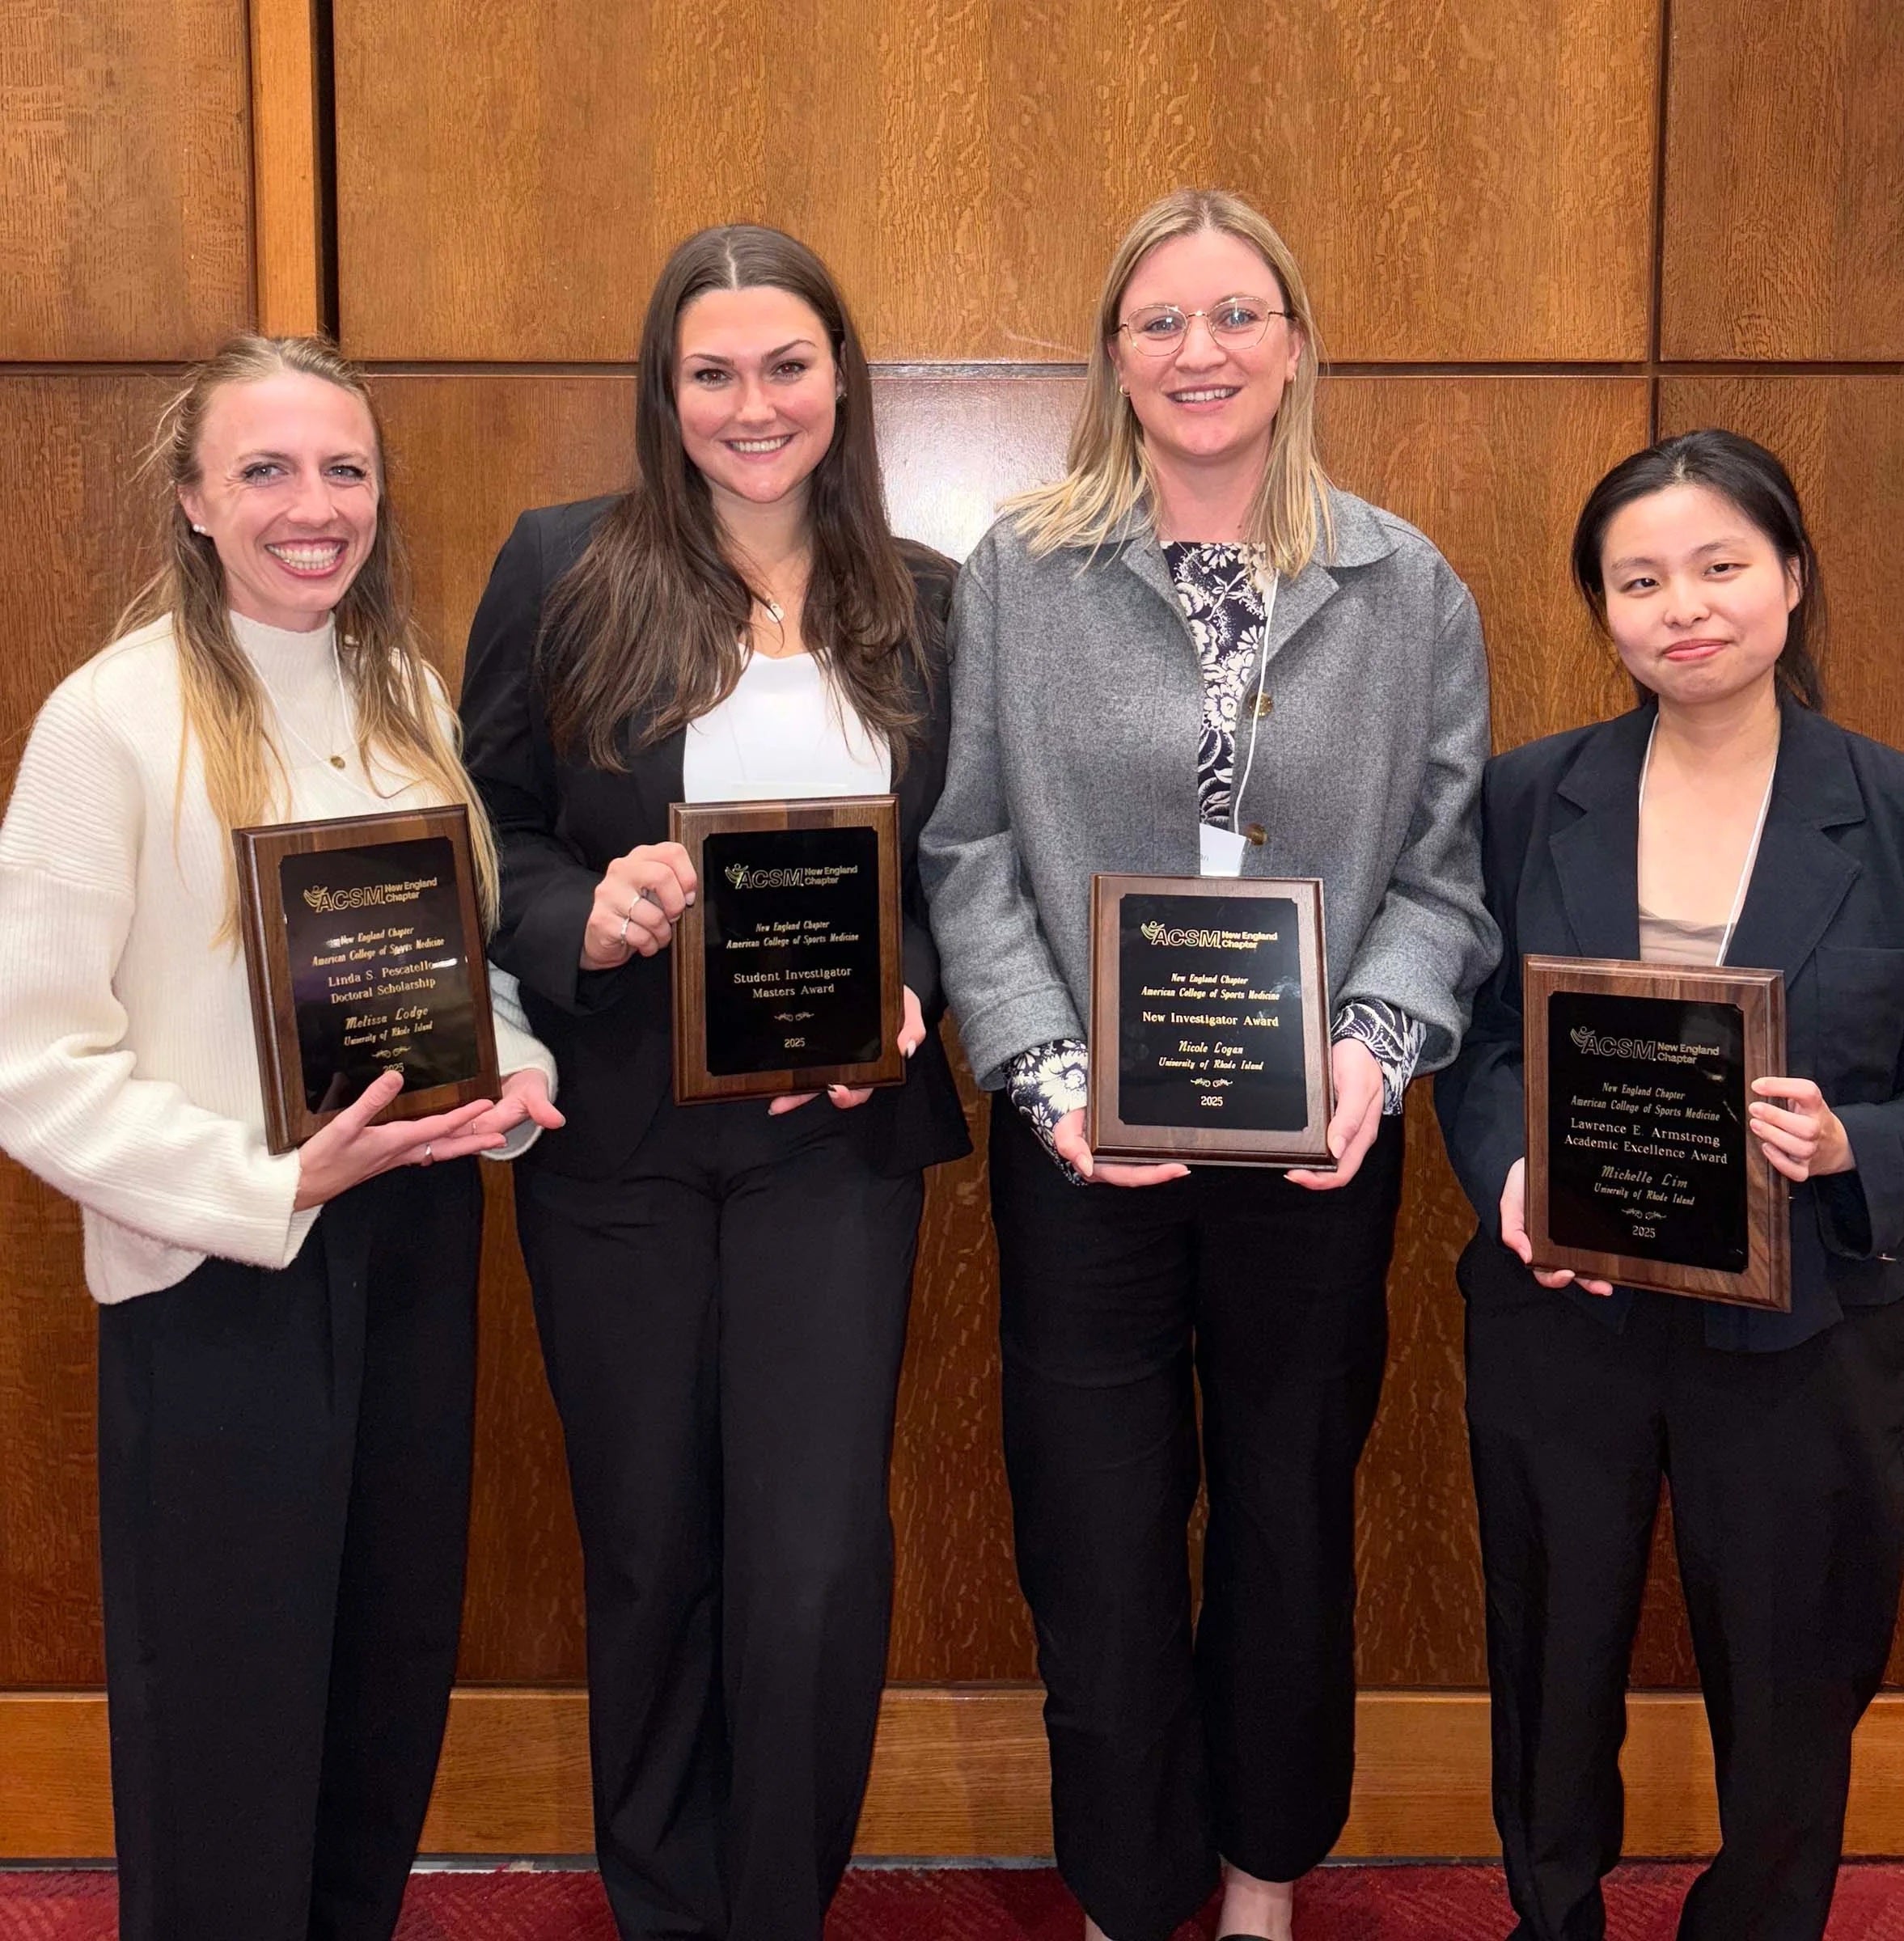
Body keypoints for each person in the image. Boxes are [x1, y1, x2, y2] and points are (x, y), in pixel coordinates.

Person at [920, 188, 1496, 1941]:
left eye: (1236, 316)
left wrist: (1373, 1053)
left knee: (1284, 1520)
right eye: (1160, 322)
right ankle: (1125, 1887)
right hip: (1082, 1138)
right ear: (1112, 355)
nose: (1200, 353)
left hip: (1315, 1140)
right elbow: (967, 853)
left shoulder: (1408, 587)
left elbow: (1441, 871)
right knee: (1093, 1542)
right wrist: (1041, 1073)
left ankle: (1260, 1877)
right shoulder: (1019, 572)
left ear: (1295, 344)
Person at [0, 333, 561, 1941]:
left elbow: (460, 966)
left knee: (381, 1684)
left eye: (343, 470)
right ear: (191, 498)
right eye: (265, 470)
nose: (312, 506)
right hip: (221, 1273)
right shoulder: (106, 722)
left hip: (413, 1248)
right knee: (226, 1725)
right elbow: (29, 1057)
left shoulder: (405, 700)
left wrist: (506, 1071)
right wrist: (266, 1182)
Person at [458, 223, 970, 1941]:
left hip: (835, 1145)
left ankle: (779, 1907)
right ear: (663, 392)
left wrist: (911, 990)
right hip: (613, 1142)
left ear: (841, 380)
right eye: (712, 372)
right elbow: (488, 830)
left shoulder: (931, 601)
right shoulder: (561, 569)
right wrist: (573, 915)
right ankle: (663, 1905)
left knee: (814, 1562)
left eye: (785, 365)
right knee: (649, 1549)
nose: (752, 405)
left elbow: (970, 865)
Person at [1436, 429, 1904, 1941]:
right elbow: (1471, 1036)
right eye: (1638, 580)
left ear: (1790, 578)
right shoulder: (1522, 799)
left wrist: (1852, 1147)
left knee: (1790, 1685)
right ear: (1601, 608)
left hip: (1804, 1328)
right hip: (1560, 1308)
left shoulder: (1889, 813)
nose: (1681, 606)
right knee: (1548, 1662)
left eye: (1717, 567)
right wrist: (1510, 1172)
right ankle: (1549, 1916)